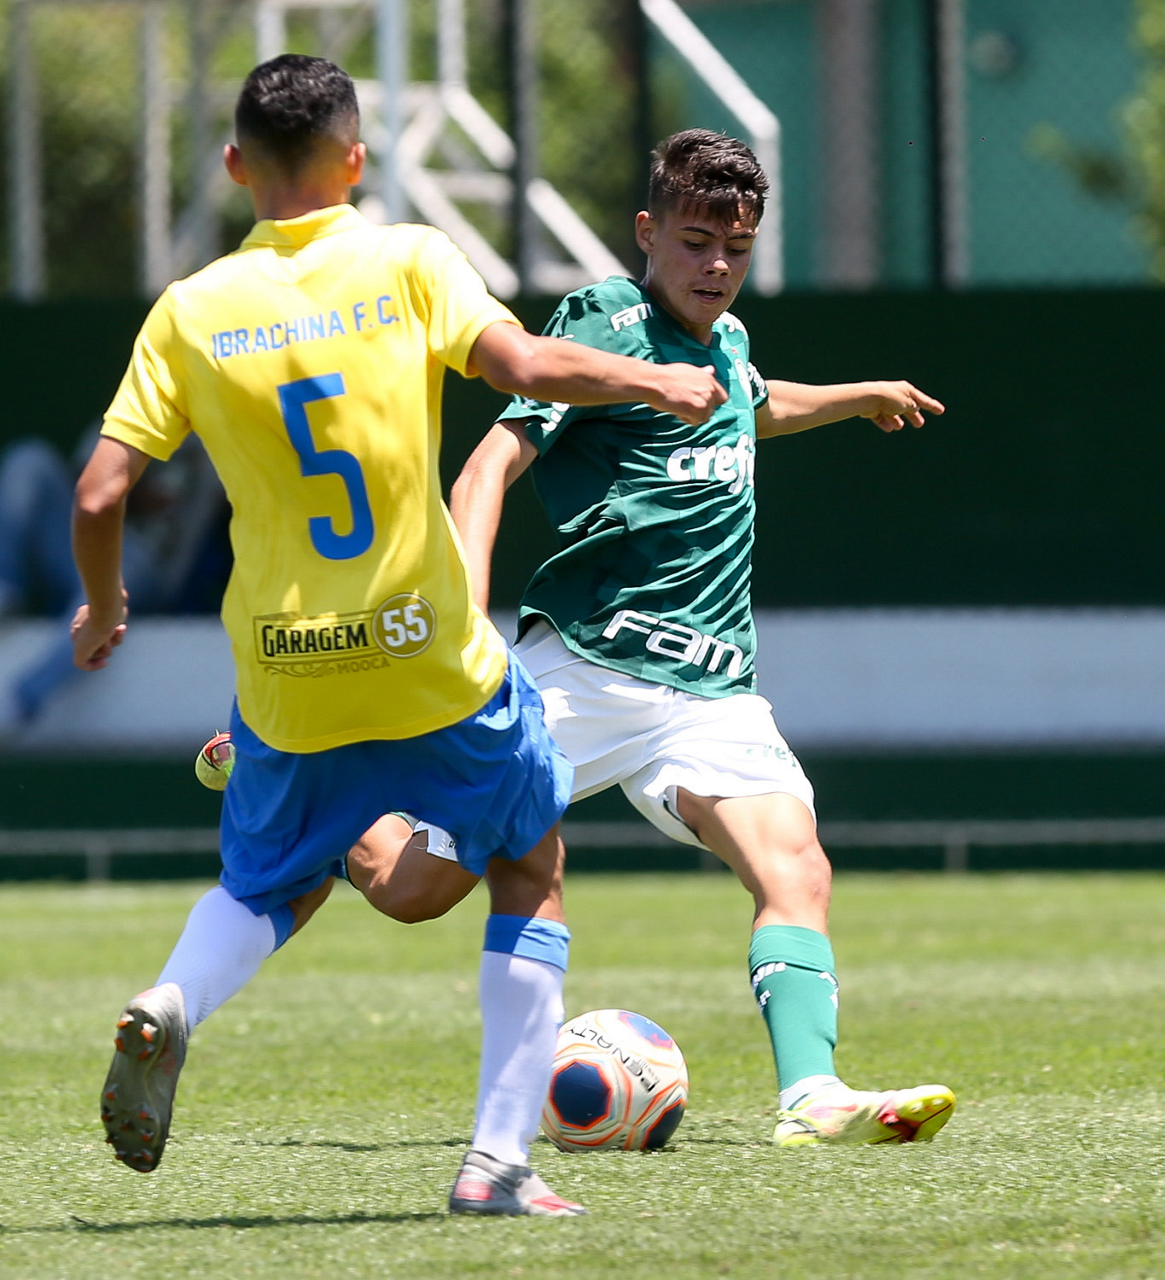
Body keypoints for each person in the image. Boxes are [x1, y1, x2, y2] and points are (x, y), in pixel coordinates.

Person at [72, 57, 724, 1217]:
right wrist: (648, 377)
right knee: (527, 858)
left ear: (234, 166)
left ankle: (174, 997)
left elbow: (98, 492)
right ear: (357, 160)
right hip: (429, 653)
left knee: (265, 878)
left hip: (284, 672)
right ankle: (496, 1163)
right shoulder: (411, 258)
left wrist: (104, 601)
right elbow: (526, 366)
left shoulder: (191, 309)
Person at [318, 128, 957, 1148]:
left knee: (795, 866)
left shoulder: (727, 341)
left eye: (736, 249)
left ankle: (811, 1095)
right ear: (647, 231)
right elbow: (486, 468)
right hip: (583, 668)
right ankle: (322, 785)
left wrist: (857, 398)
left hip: (709, 689)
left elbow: (752, 406)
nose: (716, 267)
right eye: (696, 242)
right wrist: (469, 613)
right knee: (415, 892)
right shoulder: (605, 322)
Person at [0, 430, 225, 734]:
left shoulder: (222, 431)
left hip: (147, 567)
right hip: (87, 546)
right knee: (30, 458)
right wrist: (125, 484)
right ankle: (6, 590)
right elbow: (90, 489)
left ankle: (17, 704)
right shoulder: (136, 410)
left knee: (105, 587)